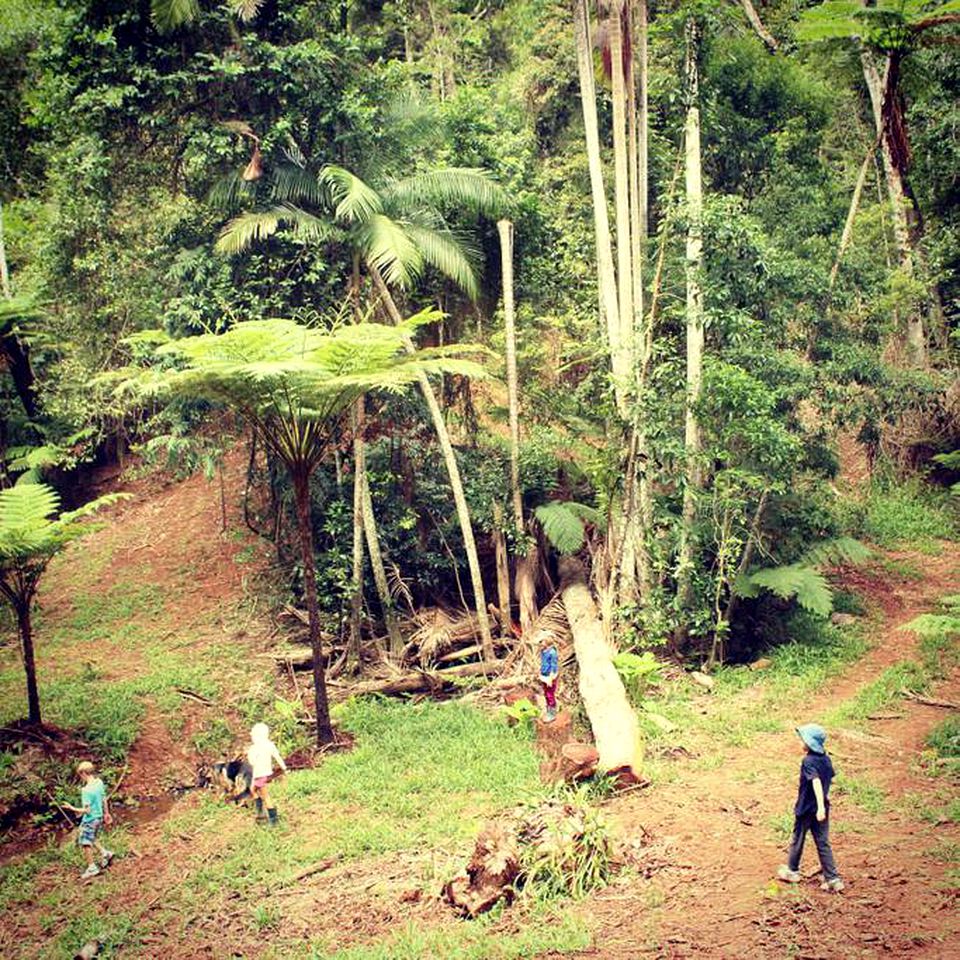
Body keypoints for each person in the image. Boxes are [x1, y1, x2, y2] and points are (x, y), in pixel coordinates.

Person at [777, 723, 844, 892]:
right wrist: (823, 806)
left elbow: (815, 782)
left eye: (802, 740)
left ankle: (792, 870)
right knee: (823, 842)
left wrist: (819, 806)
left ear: (809, 743)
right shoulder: (826, 759)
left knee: (798, 838)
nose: (800, 742)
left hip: (807, 809)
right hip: (822, 810)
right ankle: (833, 879)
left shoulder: (808, 761)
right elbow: (828, 779)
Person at [64, 760, 114, 880]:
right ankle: (105, 853)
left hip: (90, 819)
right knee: (92, 837)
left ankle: (92, 868)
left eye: (80, 775)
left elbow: (87, 810)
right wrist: (107, 814)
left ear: (84, 773)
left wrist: (71, 808)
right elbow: (104, 799)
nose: (81, 777)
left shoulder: (86, 790)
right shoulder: (99, 783)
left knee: (85, 842)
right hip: (99, 817)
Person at [246, 722, 287, 825]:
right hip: (267, 774)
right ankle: (261, 813)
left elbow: (251, 762)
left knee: (265, 796)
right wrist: (284, 768)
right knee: (253, 790)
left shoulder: (254, 748)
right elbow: (277, 757)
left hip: (259, 775)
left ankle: (273, 819)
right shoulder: (270, 745)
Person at [538, 637, 560, 722]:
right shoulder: (544, 651)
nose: (541, 643)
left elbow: (553, 666)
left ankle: (552, 713)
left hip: (549, 676)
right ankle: (548, 710)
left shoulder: (552, 652)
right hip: (544, 675)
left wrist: (550, 678)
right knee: (546, 694)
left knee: (550, 694)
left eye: (542, 641)